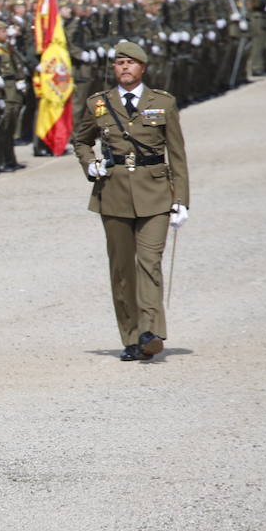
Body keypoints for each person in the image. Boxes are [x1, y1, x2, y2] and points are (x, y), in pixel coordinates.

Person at [70, 40, 189, 361]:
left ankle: (150, 330)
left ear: (143, 68)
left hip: (155, 193)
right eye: (119, 63)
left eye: (131, 63)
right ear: (113, 68)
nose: (125, 67)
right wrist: (89, 163)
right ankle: (132, 337)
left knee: (149, 263)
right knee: (122, 270)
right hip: (113, 193)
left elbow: (177, 154)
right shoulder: (99, 104)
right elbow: (80, 141)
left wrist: (181, 199)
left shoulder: (162, 103)